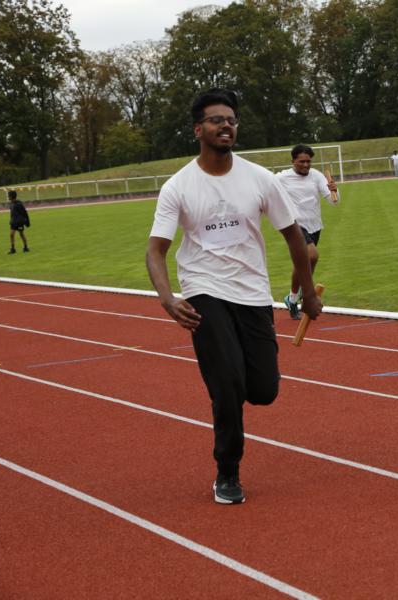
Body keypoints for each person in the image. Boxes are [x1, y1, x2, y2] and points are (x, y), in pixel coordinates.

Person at [146, 89, 322, 505]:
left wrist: (307, 292)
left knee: (262, 390)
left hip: (252, 292)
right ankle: (228, 471)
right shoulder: (178, 187)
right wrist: (167, 298)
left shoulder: (260, 178)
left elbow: (294, 238)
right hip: (204, 290)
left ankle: (236, 377)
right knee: (226, 386)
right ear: (198, 129)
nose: (226, 125)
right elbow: (156, 250)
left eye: (231, 120)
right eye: (216, 120)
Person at [278, 144, 339, 320]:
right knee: (312, 256)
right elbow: (265, 190)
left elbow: (333, 201)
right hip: (295, 224)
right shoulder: (281, 177)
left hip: (314, 226)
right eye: (301, 162)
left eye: (308, 161)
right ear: (293, 161)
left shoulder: (317, 175)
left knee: (302, 263)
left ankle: (292, 299)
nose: (305, 165)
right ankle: (307, 292)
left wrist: (334, 190)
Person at [7, 190, 30, 254]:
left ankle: (25, 247)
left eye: (9, 196)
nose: (8, 197)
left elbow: (24, 213)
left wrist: (26, 221)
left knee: (21, 234)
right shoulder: (11, 204)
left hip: (19, 222)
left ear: (12, 196)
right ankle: (13, 249)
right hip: (13, 222)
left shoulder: (19, 204)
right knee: (11, 234)